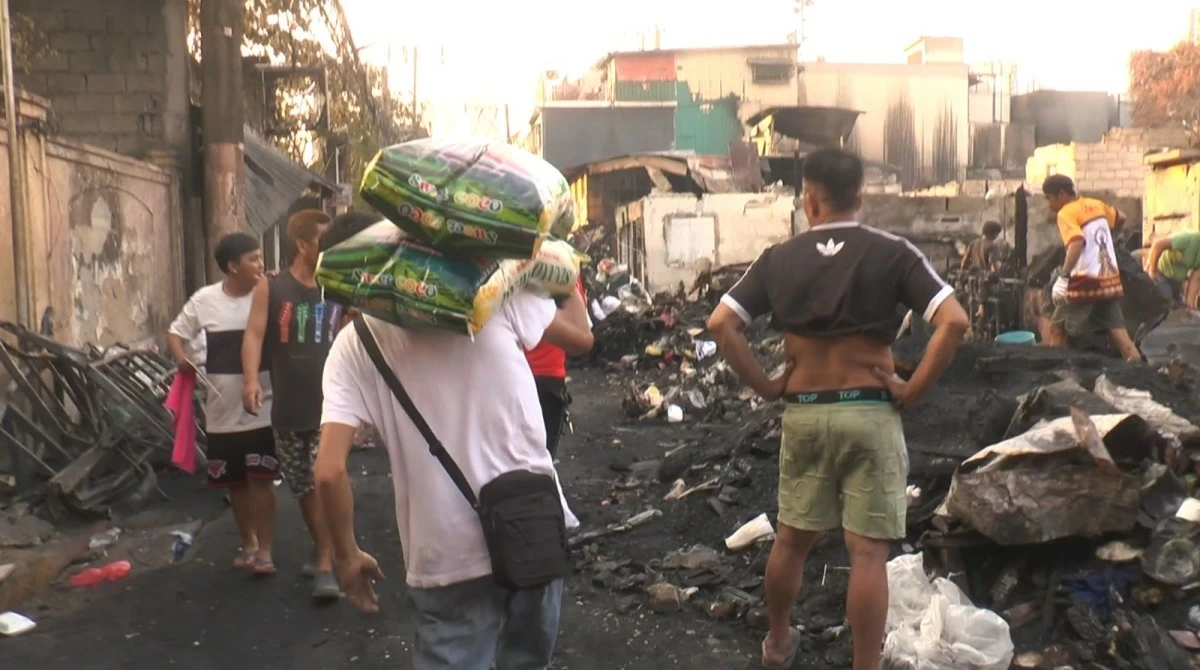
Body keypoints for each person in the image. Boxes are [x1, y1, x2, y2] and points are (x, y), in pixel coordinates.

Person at [706, 148, 968, 670]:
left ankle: (778, 643)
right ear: (861, 196)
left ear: (808, 198)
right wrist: (911, 388)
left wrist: (766, 385)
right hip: (868, 410)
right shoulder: (891, 251)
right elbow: (954, 321)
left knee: (792, 539)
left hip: (804, 410)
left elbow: (721, 324)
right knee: (868, 554)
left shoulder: (778, 258)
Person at [314, 270, 594, 669]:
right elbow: (581, 338)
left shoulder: (354, 345)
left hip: (444, 554)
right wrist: (563, 275)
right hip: (534, 529)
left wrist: (346, 555)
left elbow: (327, 471)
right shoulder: (496, 294)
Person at [241, 208, 341, 601]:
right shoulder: (272, 287)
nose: (331, 249)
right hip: (287, 405)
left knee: (323, 479)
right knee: (301, 485)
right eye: (323, 242)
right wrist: (251, 380)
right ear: (302, 244)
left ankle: (329, 564)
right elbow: (253, 334)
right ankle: (323, 546)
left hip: (330, 406)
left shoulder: (338, 286)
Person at [168, 233, 279, 575]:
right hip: (220, 409)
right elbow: (175, 333)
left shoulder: (269, 295)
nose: (261, 265)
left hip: (263, 406)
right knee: (235, 482)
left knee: (261, 478)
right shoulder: (205, 300)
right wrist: (182, 358)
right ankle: (248, 543)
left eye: (261, 258)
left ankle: (266, 550)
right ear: (233, 266)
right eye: (253, 259)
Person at [1041, 175, 1141, 360]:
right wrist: (1111, 234)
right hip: (1109, 279)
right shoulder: (1096, 204)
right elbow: (1122, 217)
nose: (1049, 204)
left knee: (1057, 329)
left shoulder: (1066, 212)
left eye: (1049, 197)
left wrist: (1063, 275)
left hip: (1086, 280)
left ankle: (1054, 375)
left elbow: (1076, 242)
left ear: (1061, 194)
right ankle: (1141, 372)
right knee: (1119, 334)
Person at [523, 278, 588, 458]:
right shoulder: (560, 271)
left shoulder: (504, 275)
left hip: (506, 378)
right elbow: (582, 339)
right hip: (547, 379)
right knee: (540, 460)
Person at [1145, 231, 1200, 306]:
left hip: (1176, 280)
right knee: (1167, 302)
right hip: (1161, 272)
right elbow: (1158, 245)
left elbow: (1196, 279)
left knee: (1180, 307)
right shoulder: (1188, 239)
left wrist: (1189, 305)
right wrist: (1152, 272)